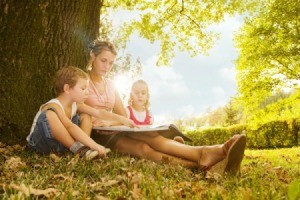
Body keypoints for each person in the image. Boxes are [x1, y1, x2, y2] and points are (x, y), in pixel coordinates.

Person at [85, 40, 246, 174]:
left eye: (111, 63)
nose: (107, 66)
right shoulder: (83, 81)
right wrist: (107, 122)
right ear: (93, 56)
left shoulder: (111, 85)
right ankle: (199, 163)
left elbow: (124, 118)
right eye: (103, 61)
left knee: (153, 137)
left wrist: (111, 122)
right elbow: (80, 110)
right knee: (142, 149)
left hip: (115, 129)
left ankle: (205, 155)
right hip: (97, 136)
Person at [26, 66, 135, 160]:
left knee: (86, 115)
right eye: (83, 88)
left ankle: (82, 148)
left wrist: (122, 119)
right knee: (49, 114)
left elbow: (98, 112)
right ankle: (80, 149)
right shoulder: (54, 105)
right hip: (40, 144)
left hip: (62, 145)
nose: (87, 92)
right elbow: (70, 127)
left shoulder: (76, 105)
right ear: (67, 88)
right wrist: (95, 145)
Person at [126, 79, 185, 143]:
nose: (140, 95)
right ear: (131, 95)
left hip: (148, 139)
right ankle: (174, 144)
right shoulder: (127, 111)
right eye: (136, 93)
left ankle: (175, 144)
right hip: (134, 140)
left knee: (156, 138)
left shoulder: (149, 115)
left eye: (143, 93)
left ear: (147, 96)